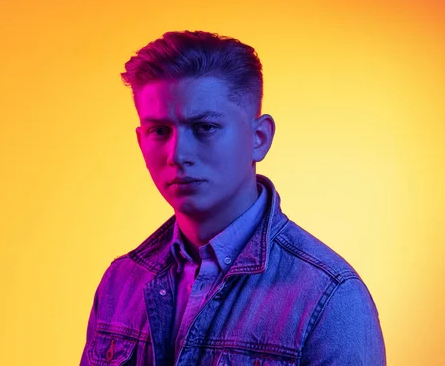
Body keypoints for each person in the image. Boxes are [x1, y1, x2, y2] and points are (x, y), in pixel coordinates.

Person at [80, 30, 386, 365]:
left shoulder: (329, 298)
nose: (177, 154)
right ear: (141, 141)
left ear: (259, 138)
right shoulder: (121, 282)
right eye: (159, 131)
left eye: (205, 127)